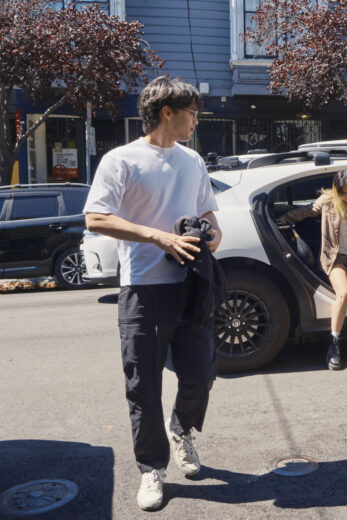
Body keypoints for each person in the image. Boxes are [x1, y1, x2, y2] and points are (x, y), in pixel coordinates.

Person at [83, 76, 222, 511]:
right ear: (167, 112)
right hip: (142, 289)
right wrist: (160, 238)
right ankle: (152, 469)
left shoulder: (193, 161)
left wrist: (210, 236)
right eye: (192, 112)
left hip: (189, 286)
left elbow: (209, 215)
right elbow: (95, 218)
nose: (196, 120)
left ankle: (181, 429)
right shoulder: (121, 160)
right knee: (143, 385)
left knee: (200, 373)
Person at [277, 170, 347, 370]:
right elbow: (307, 211)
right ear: (336, 190)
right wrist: (284, 219)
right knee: (344, 292)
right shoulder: (328, 201)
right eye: (343, 192)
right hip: (334, 257)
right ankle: (335, 343)